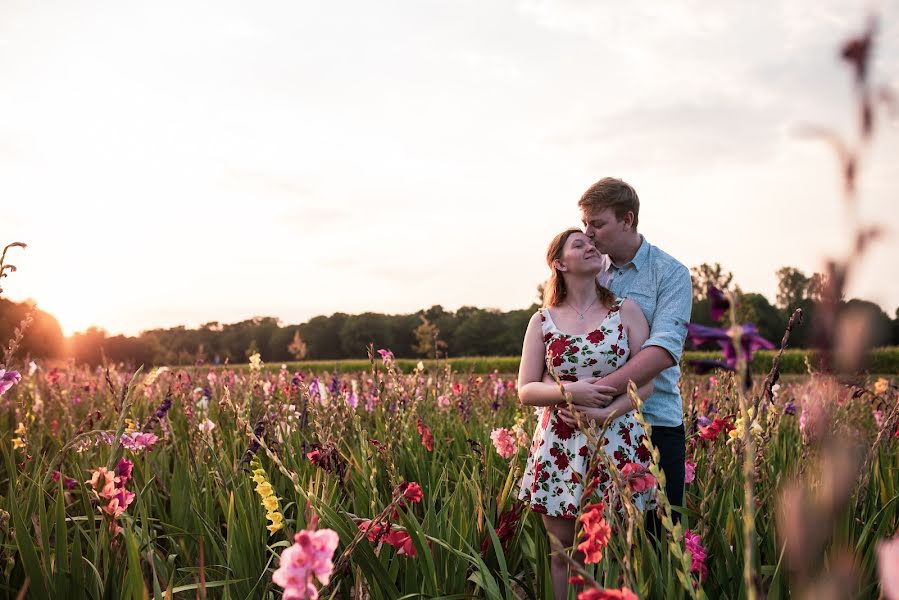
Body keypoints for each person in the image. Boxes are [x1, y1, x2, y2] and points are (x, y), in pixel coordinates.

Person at [517, 228, 656, 600]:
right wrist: (568, 391)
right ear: (560, 263)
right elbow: (526, 389)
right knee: (562, 551)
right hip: (560, 445)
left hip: (618, 439)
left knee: (614, 545)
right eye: (579, 244)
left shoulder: (625, 310)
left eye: (592, 243)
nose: (591, 246)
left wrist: (608, 412)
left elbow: (646, 385)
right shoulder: (541, 321)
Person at [574, 177, 693, 537]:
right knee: (603, 543)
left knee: (660, 540)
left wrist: (595, 392)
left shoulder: (671, 274)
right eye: (584, 225)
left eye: (597, 223)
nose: (588, 234)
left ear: (627, 220)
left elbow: (661, 352)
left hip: (654, 423)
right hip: (594, 427)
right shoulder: (587, 272)